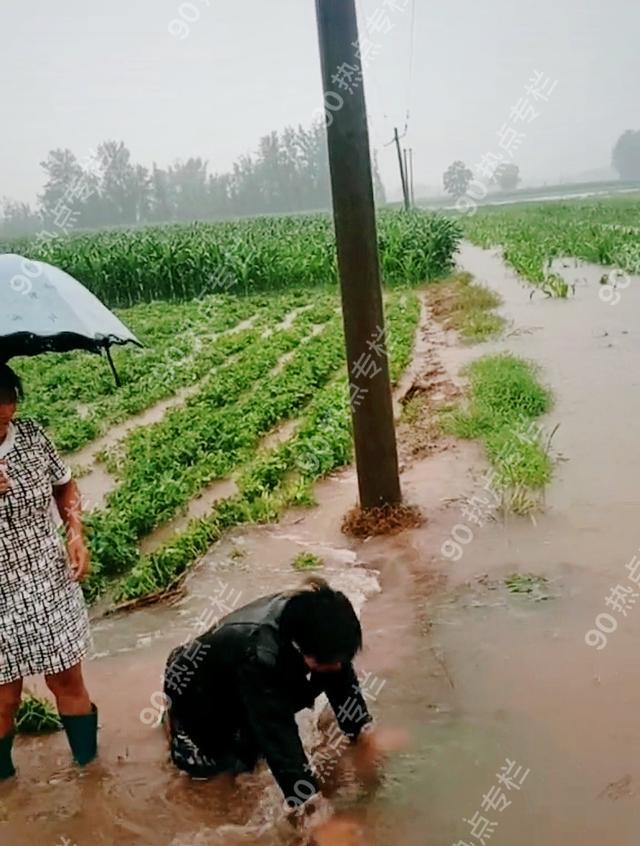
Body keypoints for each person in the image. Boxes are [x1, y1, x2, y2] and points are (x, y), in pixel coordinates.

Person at [163, 577, 381, 832]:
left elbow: (338, 671)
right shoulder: (261, 654)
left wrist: (362, 733)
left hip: (241, 671)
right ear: (303, 650)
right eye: (330, 661)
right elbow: (277, 734)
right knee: (217, 773)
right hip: (194, 686)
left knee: (259, 742)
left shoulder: (318, 622)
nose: (339, 667)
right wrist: (313, 810)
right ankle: (173, 723)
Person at [0, 363, 96, 780]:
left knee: (67, 681)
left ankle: (90, 774)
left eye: (5, 414)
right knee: (3, 699)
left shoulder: (34, 437)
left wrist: (75, 532)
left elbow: (65, 486)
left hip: (46, 577)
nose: (3, 422)